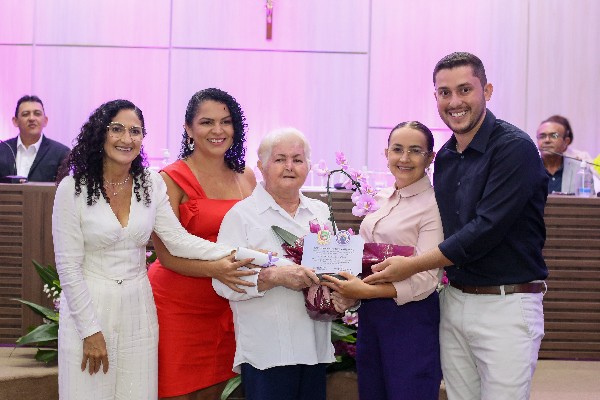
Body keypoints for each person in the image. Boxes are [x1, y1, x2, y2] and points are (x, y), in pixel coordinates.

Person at [364, 52, 549, 400]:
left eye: (465, 90)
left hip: (506, 304)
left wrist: (412, 264)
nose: (454, 102)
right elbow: (445, 226)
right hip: (454, 300)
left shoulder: (514, 148)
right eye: (444, 93)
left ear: (487, 91)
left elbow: (485, 229)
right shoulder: (446, 157)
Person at [52, 99, 237, 399]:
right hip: (90, 307)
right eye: (117, 129)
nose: (127, 139)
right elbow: (68, 267)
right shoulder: (73, 188)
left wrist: (233, 254)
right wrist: (89, 331)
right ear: (100, 133)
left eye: (135, 131)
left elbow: (178, 239)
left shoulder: (149, 183)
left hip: (138, 308)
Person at [147, 88, 257, 400]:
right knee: (176, 391)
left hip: (231, 303)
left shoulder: (246, 176)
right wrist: (217, 269)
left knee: (224, 392)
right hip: (178, 305)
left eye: (226, 121)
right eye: (207, 122)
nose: (218, 130)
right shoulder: (169, 178)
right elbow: (165, 255)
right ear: (189, 129)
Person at [212, 128, 337, 400]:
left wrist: (343, 291)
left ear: (308, 166)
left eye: (297, 159)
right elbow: (222, 283)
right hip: (267, 353)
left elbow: (332, 267)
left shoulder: (319, 212)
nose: (289, 166)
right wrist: (273, 277)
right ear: (261, 166)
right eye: (280, 159)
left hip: (315, 348)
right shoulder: (241, 216)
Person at [322, 121, 444, 400]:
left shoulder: (434, 205)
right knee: (372, 392)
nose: (404, 158)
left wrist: (364, 291)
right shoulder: (381, 198)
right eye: (397, 149)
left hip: (411, 318)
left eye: (415, 150)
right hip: (372, 318)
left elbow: (426, 279)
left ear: (430, 157)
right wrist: (347, 286)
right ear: (386, 153)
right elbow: (365, 258)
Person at [0, 95, 69, 182]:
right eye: (25, 114)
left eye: (37, 114)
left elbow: (63, 188)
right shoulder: (3, 149)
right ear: (15, 121)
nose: (32, 118)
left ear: (45, 121)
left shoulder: (61, 153)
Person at [536, 115, 595, 194]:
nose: (547, 140)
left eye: (554, 136)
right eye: (542, 136)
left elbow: (588, 200)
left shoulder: (581, 171)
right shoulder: (526, 169)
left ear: (566, 142)